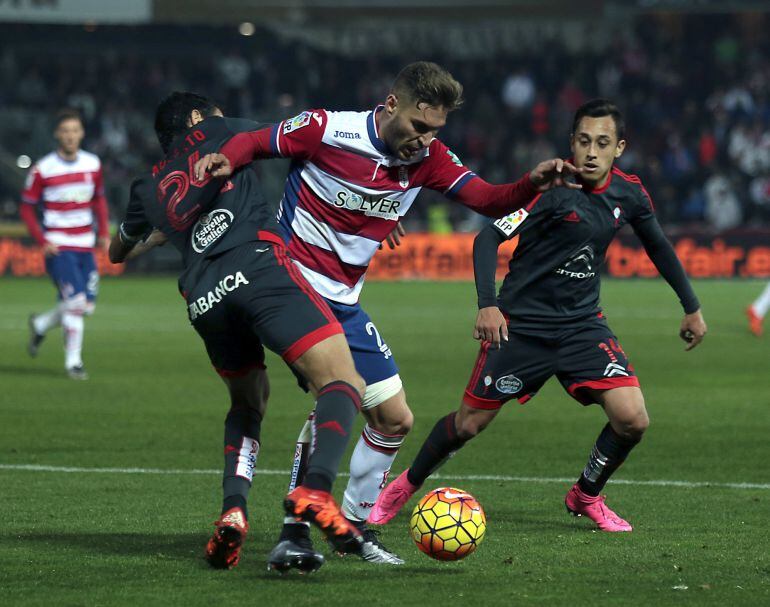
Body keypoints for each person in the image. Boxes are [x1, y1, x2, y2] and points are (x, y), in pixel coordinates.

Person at [194, 61, 581, 566]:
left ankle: (352, 527)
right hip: (291, 288)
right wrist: (224, 158)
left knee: (395, 419)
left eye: (435, 131)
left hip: (345, 300)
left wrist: (532, 181)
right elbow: (259, 141)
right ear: (391, 104)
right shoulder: (327, 129)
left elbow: (489, 199)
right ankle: (296, 531)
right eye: (419, 127)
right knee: (337, 394)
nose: (424, 140)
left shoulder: (430, 159)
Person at [370, 98, 708, 533]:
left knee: (632, 418)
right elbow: (487, 239)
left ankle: (586, 495)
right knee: (468, 424)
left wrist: (691, 306)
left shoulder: (630, 193)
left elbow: (658, 245)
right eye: (584, 140)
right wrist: (487, 305)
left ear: (618, 148)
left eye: (602, 143)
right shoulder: (549, 189)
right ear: (571, 142)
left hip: (582, 326)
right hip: (521, 328)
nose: (591, 151)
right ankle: (405, 484)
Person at [109, 92, 368, 573]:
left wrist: (162, 234)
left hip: (204, 297)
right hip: (257, 266)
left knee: (248, 403)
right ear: (195, 119)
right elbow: (297, 138)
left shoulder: (147, 186)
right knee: (344, 381)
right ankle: (315, 489)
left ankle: (234, 510)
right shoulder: (221, 132)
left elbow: (117, 252)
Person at [21, 109, 110, 379]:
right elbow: (27, 208)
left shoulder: (93, 164)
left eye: (75, 130)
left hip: (85, 244)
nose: (70, 136)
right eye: (65, 131)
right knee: (76, 303)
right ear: (57, 134)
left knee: (87, 306)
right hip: (58, 246)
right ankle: (74, 363)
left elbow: (99, 200)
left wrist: (104, 233)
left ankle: (40, 323)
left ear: (82, 133)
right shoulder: (43, 169)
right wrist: (42, 240)